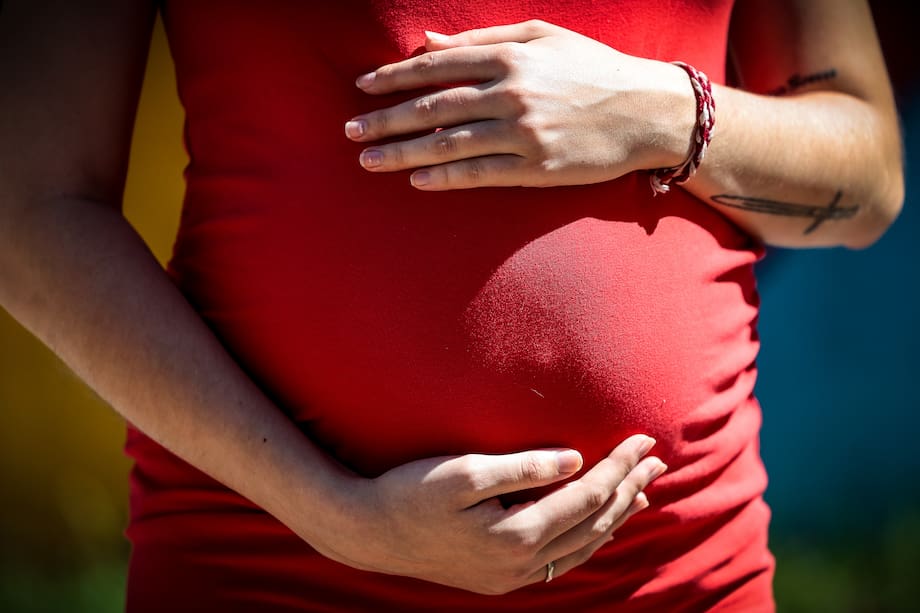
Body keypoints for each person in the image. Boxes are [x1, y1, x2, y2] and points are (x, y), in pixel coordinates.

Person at [0, 0, 902, 611]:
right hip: (268, 560)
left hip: (673, 565)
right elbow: (27, 207)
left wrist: (662, 113)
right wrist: (332, 511)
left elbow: (869, 177)